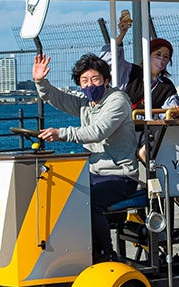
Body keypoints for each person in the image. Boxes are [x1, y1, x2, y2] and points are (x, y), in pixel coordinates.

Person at [32, 53, 139, 263]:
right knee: (60, 196)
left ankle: (106, 255)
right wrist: (40, 81)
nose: (90, 85)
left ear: (106, 80)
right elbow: (56, 97)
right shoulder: (87, 105)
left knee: (88, 202)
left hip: (121, 176)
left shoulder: (117, 100)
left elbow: (98, 131)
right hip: (94, 173)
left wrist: (61, 133)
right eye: (84, 81)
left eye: (95, 79)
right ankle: (76, 252)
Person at [101, 14, 179, 110]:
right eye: (158, 54)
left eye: (166, 57)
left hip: (149, 125)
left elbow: (172, 108)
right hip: (123, 123)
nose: (161, 59)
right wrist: (122, 34)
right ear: (147, 55)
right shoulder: (130, 72)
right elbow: (107, 61)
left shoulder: (166, 85)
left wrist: (174, 110)